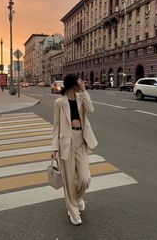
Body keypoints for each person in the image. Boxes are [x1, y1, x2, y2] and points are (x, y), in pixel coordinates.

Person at [51, 73, 98, 226]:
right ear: (74, 84)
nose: (81, 83)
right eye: (79, 82)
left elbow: (91, 109)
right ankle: (73, 211)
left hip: (81, 139)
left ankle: (77, 198)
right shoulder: (59, 102)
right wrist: (54, 147)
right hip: (66, 141)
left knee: (85, 178)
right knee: (69, 179)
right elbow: (56, 126)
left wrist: (84, 91)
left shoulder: (81, 98)